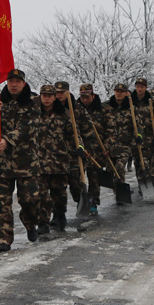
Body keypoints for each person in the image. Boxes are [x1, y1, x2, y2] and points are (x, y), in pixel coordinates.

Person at [0, 69, 42, 252]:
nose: (14, 84)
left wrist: (8, 140)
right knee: (1, 202)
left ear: (23, 83)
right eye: (10, 81)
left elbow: (30, 126)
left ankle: (31, 224)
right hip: (2, 162)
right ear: (6, 83)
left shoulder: (34, 101)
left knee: (29, 199)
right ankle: (4, 239)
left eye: (17, 81)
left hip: (26, 162)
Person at [33, 84, 80, 233]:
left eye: (49, 95)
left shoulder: (64, 114)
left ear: (54, 97)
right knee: (41, 193)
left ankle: (60, 215)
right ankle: (43, 222)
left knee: (59, 192)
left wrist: (79, 148)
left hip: (59, 160)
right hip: (40, 161)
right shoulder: (34, 114)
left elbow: (74, 135)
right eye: (44, 95)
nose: (46, 98)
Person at [55, 80, 94, 226]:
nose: (59, 95)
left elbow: (88, 131)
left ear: (67, 92)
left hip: (75, 153)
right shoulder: (51, 108)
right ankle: (58, 214)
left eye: (62, 92)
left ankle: (82, 204)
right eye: (57, 92)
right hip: (57, 153)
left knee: (76, 183)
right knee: (57, 187)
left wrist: (85, 149)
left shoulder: (77, 109)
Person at [77, 83, 115, 215]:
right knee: (78, 178)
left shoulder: (104, 109)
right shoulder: (76, 109)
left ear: (93, 95)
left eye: (87, 97)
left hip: (98, 149)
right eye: (82, 97)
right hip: (81, 149)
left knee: (94, 178)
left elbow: (111, 131)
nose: (85, 100)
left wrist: (108, 147)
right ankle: (81, 202)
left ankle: (93, 203)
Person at [106, 83, 138, 201]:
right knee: (110, 170)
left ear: (126, 93)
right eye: (116, 91)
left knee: (119, 168)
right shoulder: (107, 107)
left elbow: (137, 126)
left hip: (124, 144)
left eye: (121, 91)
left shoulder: (131, 108)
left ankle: (120, 194)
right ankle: (117, 189)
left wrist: (138, 136)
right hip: (110, 144)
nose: (118, 93)